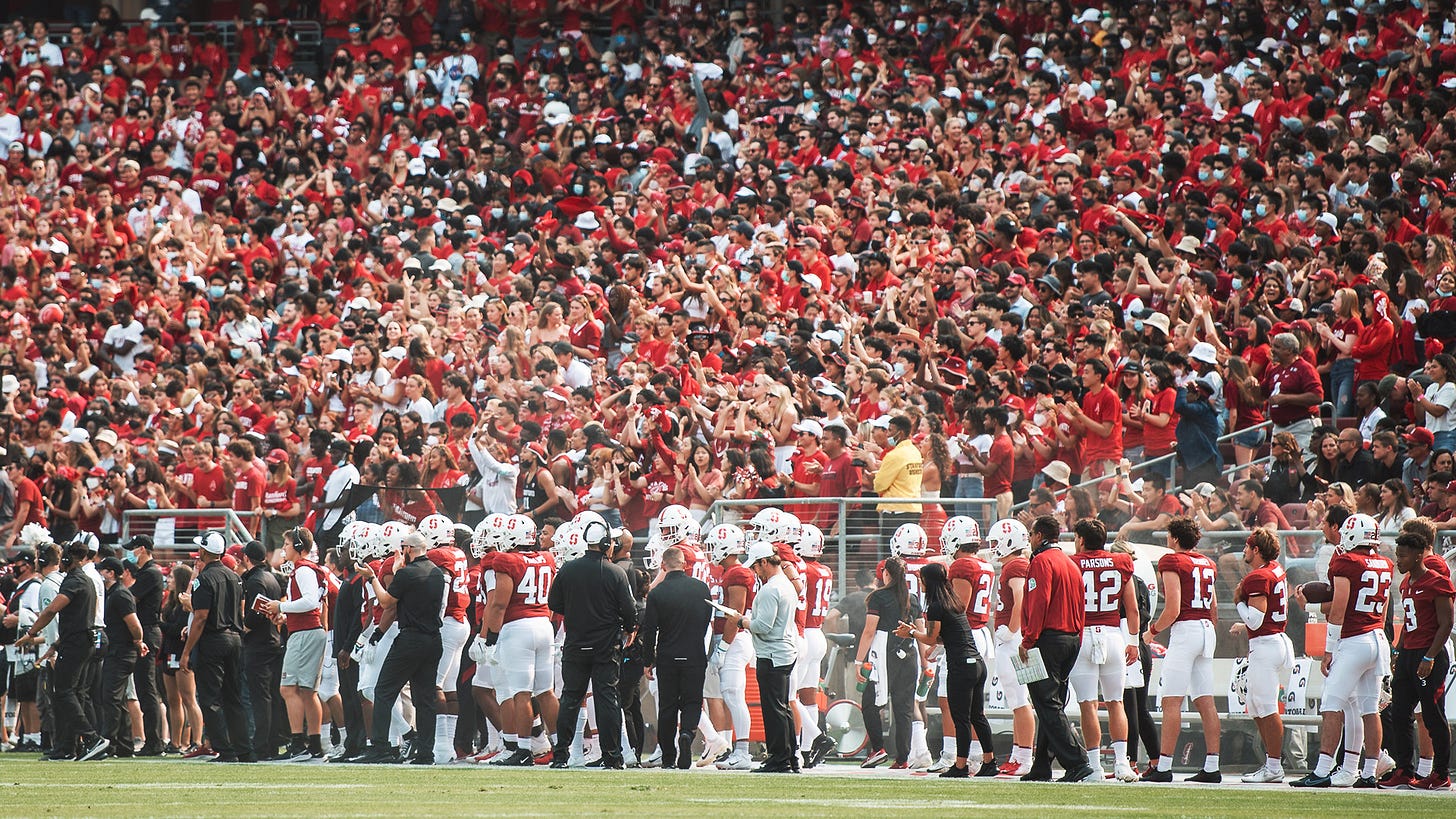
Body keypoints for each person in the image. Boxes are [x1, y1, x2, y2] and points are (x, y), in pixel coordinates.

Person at [1292, 513, 1393, 788]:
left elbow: (1338, 609)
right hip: (1377, 638)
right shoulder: (1385, 563)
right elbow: (1382, 611)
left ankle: (1323, 769)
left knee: (1332, 704)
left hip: (1354, 640)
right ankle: (1366, 770)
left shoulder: (1347, 562)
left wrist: (1329, 649)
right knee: (1368, 709)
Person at [546, 511, 636, 770]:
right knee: (606, 698)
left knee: (570, 698)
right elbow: (629, 610)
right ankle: (612, 756)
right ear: (607, 544)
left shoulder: (568, 570)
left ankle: (561, 755)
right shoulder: (615, 572)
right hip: (605, 646)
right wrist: (628, 628)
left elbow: (555, 603)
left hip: (575, 643)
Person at [1142, 517, 1221, 783]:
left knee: (1171, 700)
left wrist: (1151, 632)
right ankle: (1212, 766)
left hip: (1186, 630)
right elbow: (1213, 607)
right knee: (1205, 701)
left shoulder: (1172, 560)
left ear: (1174, 538)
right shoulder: (1207, 563)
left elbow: (1173, 609)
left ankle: (1164, 766)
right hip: (1206, 630)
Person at [357, 531, 446, 764]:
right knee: (425, 700)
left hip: (410, 639)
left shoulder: (407, 573)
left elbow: (386, 602)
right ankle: (426, 752)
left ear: (408, 549)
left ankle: (381, 747)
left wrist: (372, 578)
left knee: (383, 691)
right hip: (433, 639)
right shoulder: (437, 572)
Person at [896, 562, 991, 778]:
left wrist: (911, 634)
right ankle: (989, 760)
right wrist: (914, 632)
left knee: (961, 718)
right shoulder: (954, 601)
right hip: (976, 662)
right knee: (977, 716)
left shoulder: (936, 605)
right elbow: (941, 636)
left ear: (926, 581)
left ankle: (960, 765)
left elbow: (930, 638)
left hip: (961, 665)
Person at [1018, 515, 1093, 783]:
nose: (1029, 539)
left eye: (1031, 534)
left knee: (1046, 703)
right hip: (1072, 637)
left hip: (1048, 638)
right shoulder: (1071, 563)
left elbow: (1039, 602)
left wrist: (1028, 639)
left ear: (1039, 536)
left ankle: (1077, 761)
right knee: (1052, 702)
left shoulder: (1041, 561)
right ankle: (1041, 765)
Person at [482, 513, 559, 767]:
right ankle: (562, 747)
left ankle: (524, 749)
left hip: (518, 628)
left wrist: (490, 639)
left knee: (521, 693)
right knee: (546, 692)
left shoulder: (506, 560)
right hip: (543, 624)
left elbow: (499, 604)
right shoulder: (547, 558)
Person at [21, 540, 109, 762]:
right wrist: (54, 645)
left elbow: (52, 610)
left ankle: (91, 738)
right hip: (80, 641)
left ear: (69, 560)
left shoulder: (74, 581)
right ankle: (70, 747)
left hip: (76, 644)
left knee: (63, 692)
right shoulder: (85, 579)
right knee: (71, 693)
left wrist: (31, 632)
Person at [1068, 518, 1139, 782]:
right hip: (1113, 636)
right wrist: (1132, 639)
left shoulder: (1073, 563)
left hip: (1082, 635)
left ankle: (1095, 767)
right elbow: (1131, 608)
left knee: (1088, 705)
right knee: (1115, 701)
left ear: (1082, 540)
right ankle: (1122, 763)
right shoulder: (1120, 562)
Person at [1382, 531, 1453, 790]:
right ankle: (1404, 769)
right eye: (1397, 555)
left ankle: (1441, 774)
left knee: (1433, 715)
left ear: (1419, 554)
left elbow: (1446, 623)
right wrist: (1398, 651)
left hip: (1429, 652)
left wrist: (1429, 656)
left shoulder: (1437, 582)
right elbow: (1409, 624)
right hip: (1409, 652)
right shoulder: (1406, 583)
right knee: (1400, 713)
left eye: (1403, 555)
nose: (1398, 560)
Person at [179, 531, 253, 763]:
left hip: (214, 641)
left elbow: (200, 617)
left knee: (210, 698)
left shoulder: (204, 579)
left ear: (203, 552)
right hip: (235, 639)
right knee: (234, 697)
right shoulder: (235, 577)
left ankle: (225, 750)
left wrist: (186, 652)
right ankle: (244, 749)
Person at [638, 545, 712, 770]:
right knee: (691, 702)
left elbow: (650, 630)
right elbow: (705, 620)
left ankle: (669, 756)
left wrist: (648, 660)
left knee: (668, 707)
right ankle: (687, 734)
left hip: (668, 655)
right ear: (685, 564)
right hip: (694, 653)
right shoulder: (701, 589)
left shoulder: (658, 592)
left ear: (663, 565)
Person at [1230, 529, 1294, 784]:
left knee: (1266, 708)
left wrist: (1238, 602)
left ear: (1256, 550)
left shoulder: (1259, 576)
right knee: (1256, 707)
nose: (1244, 551)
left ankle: (1275, 766)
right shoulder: (1274, 569)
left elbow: (1255, 621)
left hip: (1266, 644)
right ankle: (1270, 762)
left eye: (1247, 546)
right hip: (1271, 642)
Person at [262, 527, 329, 761]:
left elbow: (310, 602)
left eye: (288, 545)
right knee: (308, 691)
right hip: (310, 630)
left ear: (299, 547)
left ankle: (299, 743)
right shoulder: (307, 569)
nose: (284, 549)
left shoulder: (303, 569)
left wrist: (280, 607)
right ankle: (314, 745)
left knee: (288, 688)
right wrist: (285, 614)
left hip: (306, 633)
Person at [733, 540, 800, 773]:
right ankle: (791, 756)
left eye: (756, 566)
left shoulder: (772, 588)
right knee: (783, 708)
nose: (754, 571)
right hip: (783, 651)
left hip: (772, 653)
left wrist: (740, 621)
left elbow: (763, 626)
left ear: (764, 562)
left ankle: (779, 758)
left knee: (774, 710)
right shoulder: (785, 584)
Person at [988, 518, 1036, 775]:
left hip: (1015, 641)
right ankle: (1019, 755)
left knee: (1020, 701)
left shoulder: (1016, 565)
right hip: (1018, 640)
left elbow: (1020, 599)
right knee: (1019, 701)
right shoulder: (1017, 564)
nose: (994, 547)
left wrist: (1013, 629)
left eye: (997, 542)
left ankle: (1024, 756)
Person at [120, 535, 165, 756]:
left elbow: (129, 599)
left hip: (147, 630)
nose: (132, 554)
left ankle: (154, 741)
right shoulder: (148, 573)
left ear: (143, 549)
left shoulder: (151, 573)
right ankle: (153, 740)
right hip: (147, 630)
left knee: (147, 689)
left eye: (134, 549)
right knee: (145, 688)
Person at [97, 556, 146, 757]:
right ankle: (124, 745)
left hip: (121, 652)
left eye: (103, 570)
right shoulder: (113, 594)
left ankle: (109, 743)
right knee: (117, 699)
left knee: (111, 698)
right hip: (117, 651)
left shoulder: (120, 595)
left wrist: (138, 641)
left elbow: (134, 624)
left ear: (110, 573)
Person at [238, 539, 283, 760]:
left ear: (247, 558)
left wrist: (243, 627)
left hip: (259, 645)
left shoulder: (256, 580)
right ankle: (271, 744)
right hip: (272, 641)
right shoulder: (271, 578)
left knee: (260, 697)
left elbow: (256, 614)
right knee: (270, 696)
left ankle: (262, 746)